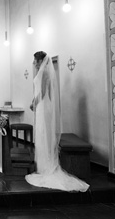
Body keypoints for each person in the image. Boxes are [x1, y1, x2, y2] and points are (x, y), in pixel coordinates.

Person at [25, 51, 89, 192]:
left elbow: (41, 92)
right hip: (43, 105)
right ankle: (45, 165)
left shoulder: (43, 73)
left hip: (42, 105)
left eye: (35, 60)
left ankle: (47, 166)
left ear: (40, 60)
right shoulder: (44, 73)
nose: (34, 63)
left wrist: (33, 104)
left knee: (44, 135)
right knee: (43, 135)